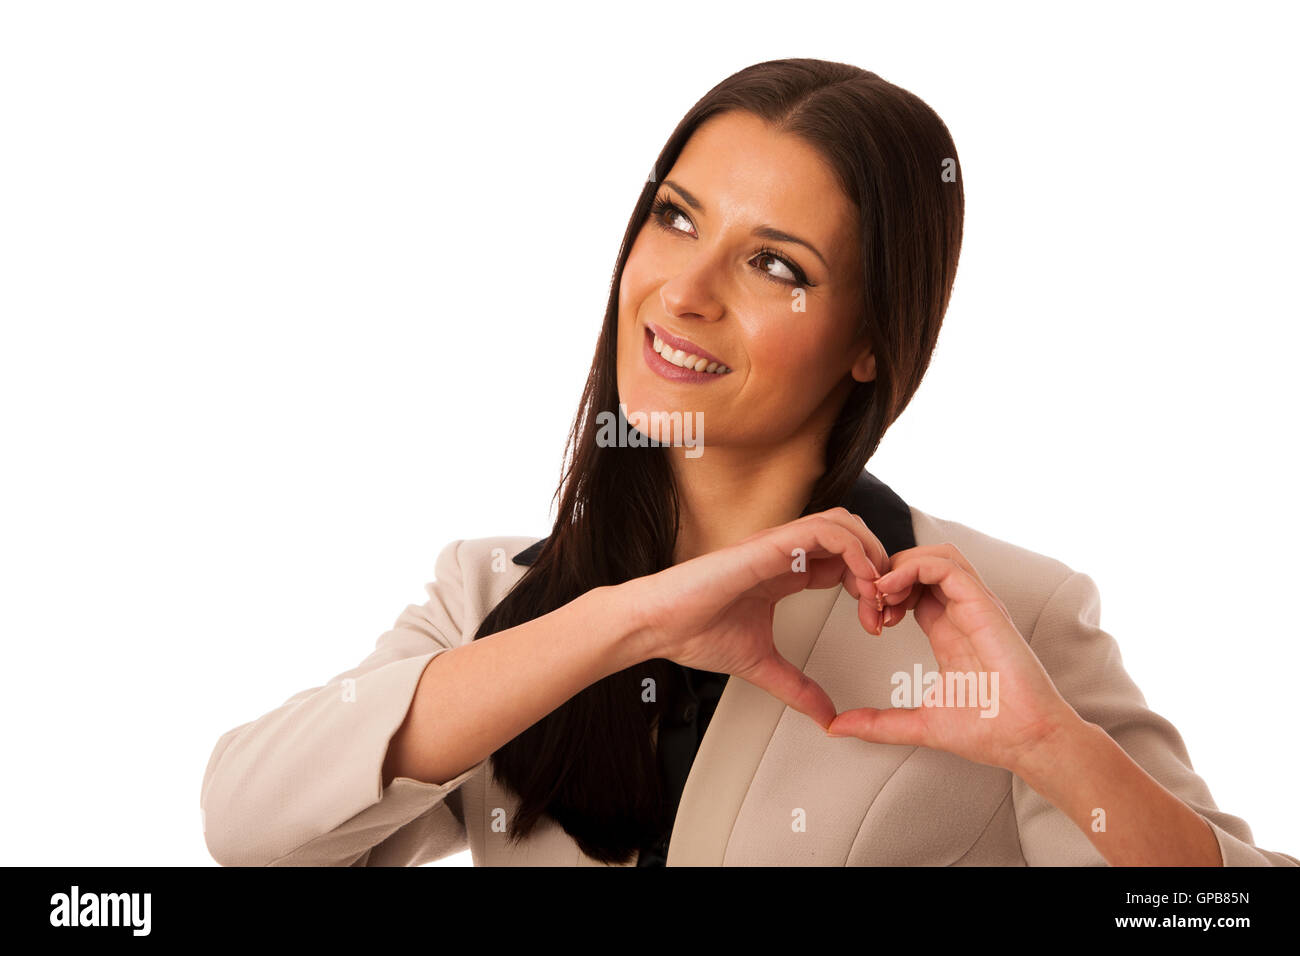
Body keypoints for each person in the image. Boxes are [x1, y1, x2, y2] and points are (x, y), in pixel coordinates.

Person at [200, 58, 1297, 867]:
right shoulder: (497, 595)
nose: (684, 289)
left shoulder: (999, 617)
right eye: (675, 218)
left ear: (873, 340)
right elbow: (250, 830)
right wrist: (623, 620)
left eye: (775, 263)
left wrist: (1058, 753)